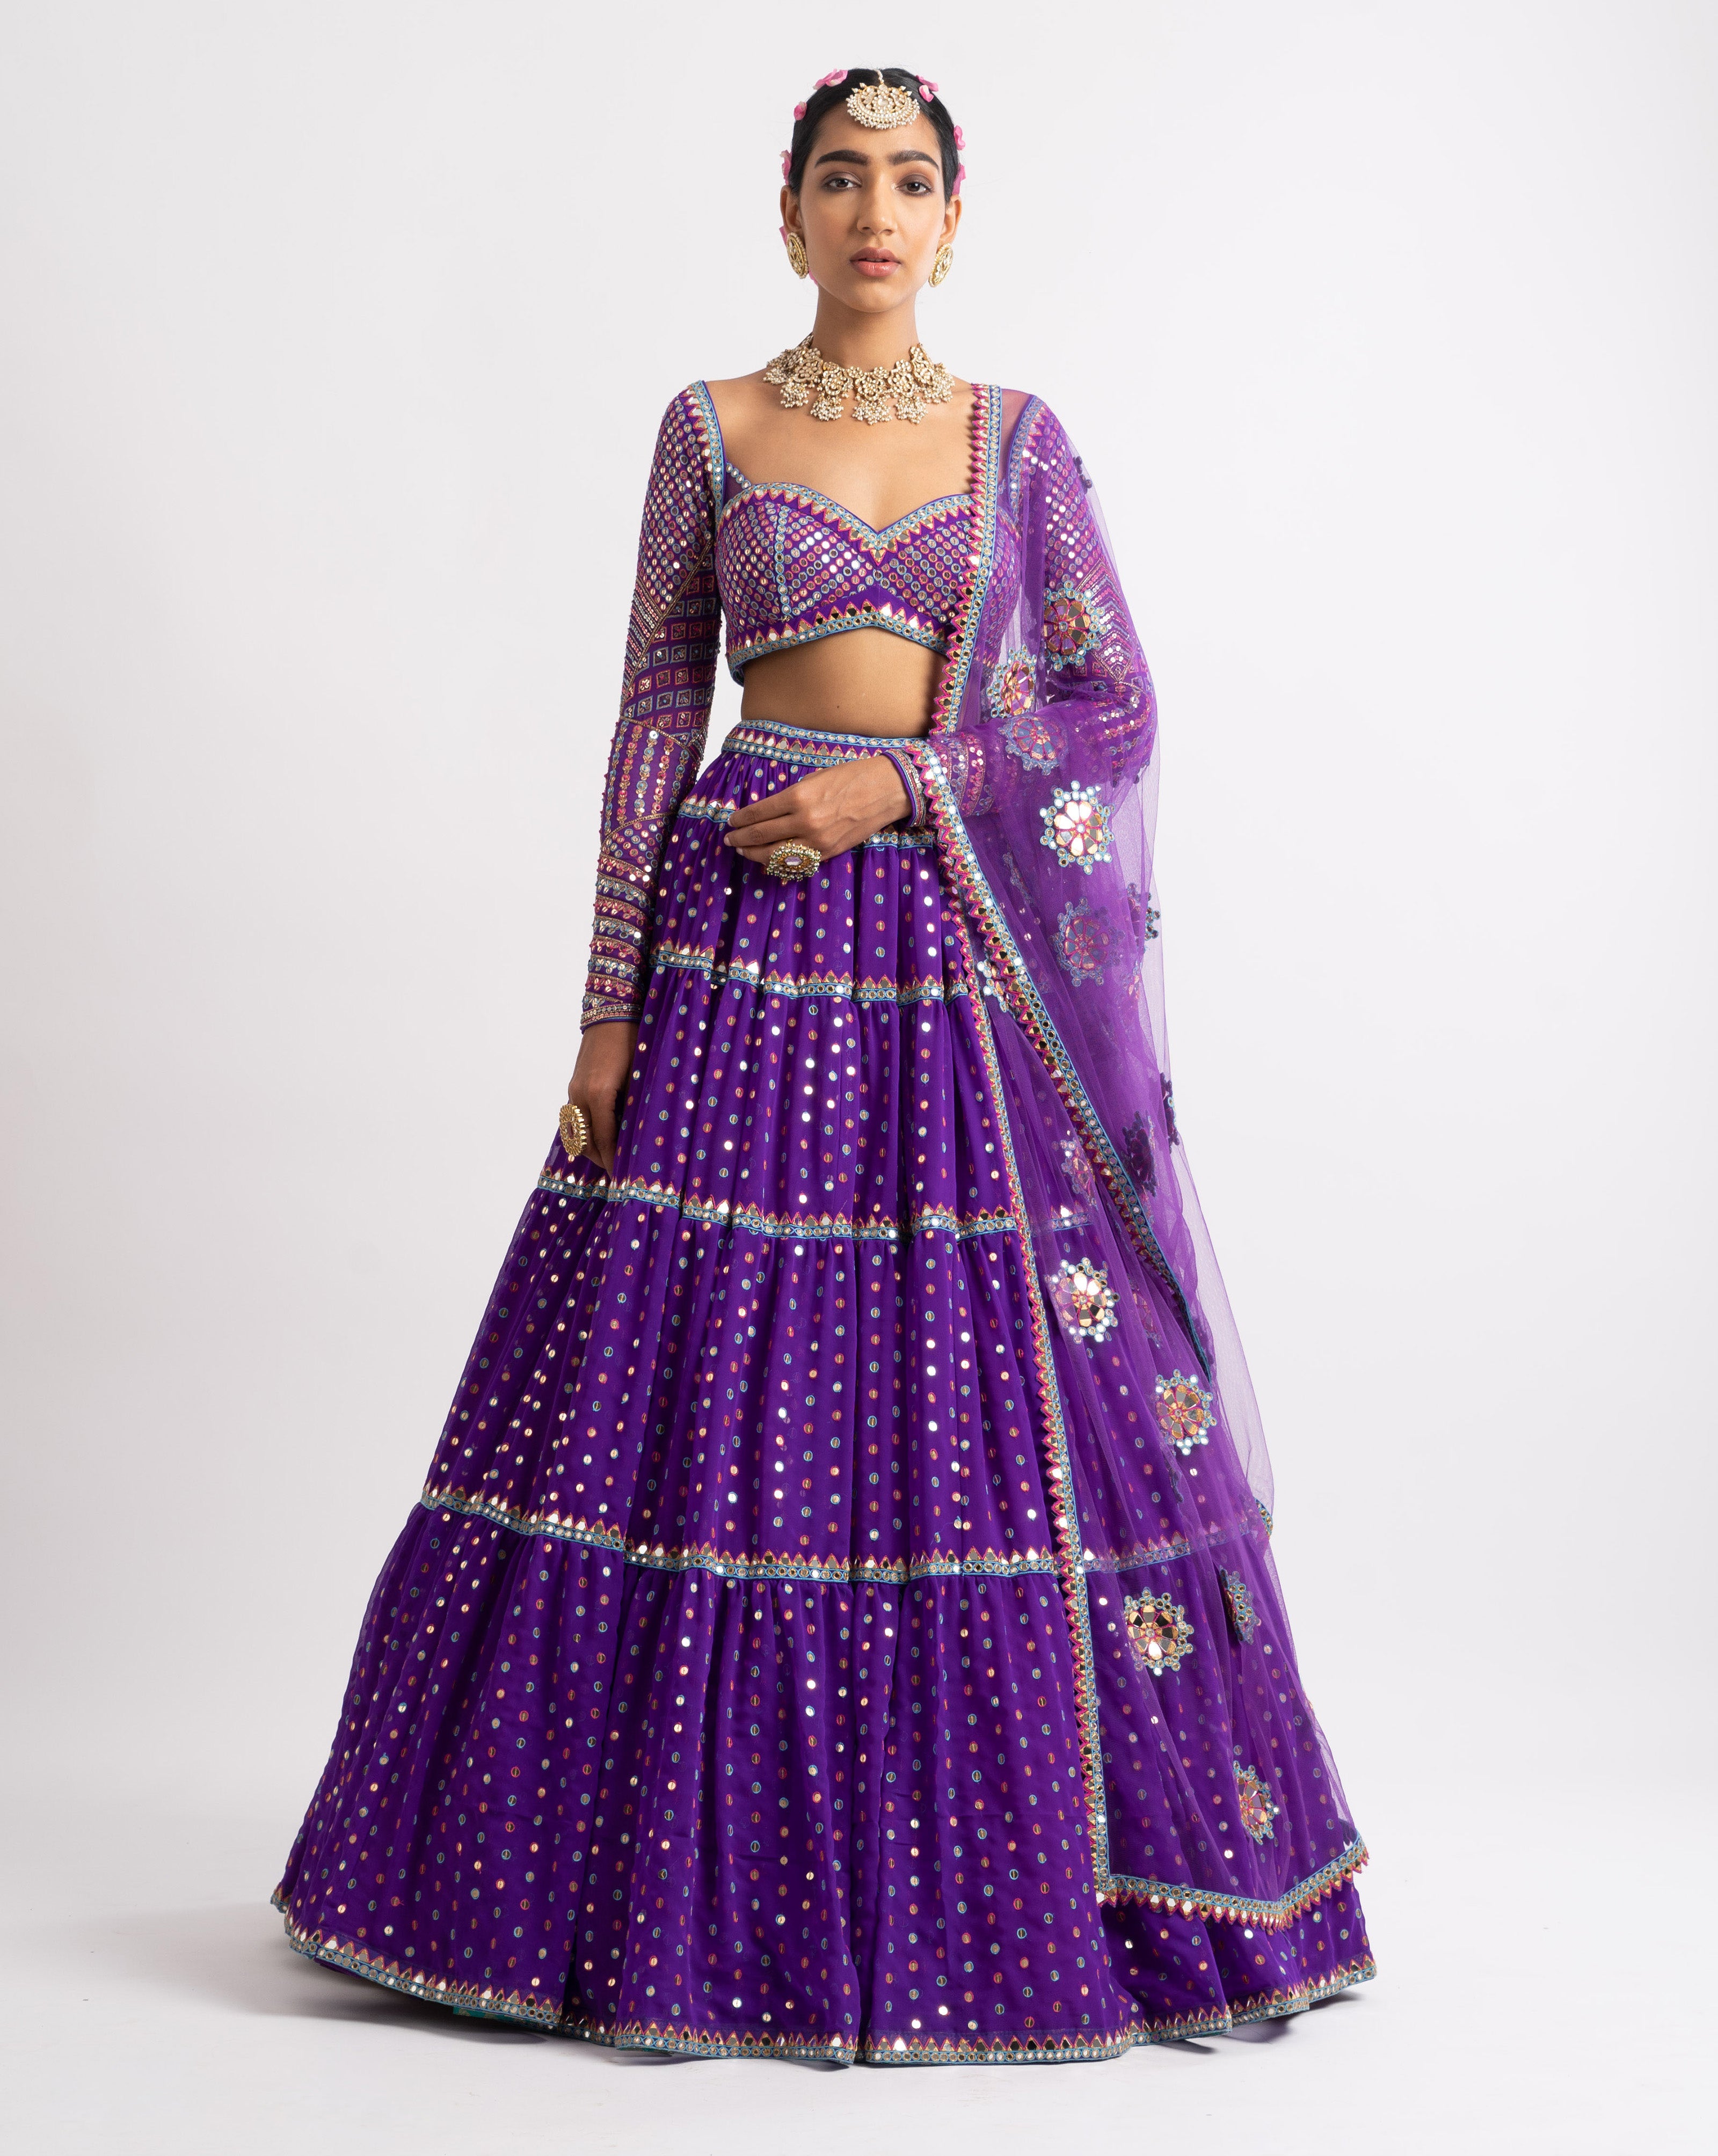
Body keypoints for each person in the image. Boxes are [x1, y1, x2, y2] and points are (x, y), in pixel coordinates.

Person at [275, 64, 1373, 2064]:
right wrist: (604, 1011)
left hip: (949, 959)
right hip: (737, 949)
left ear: (956, 219)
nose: (878, 211)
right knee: (694, 1384)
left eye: (912, 180)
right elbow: (648, 717)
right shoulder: (710, 428)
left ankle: (1024, 1891)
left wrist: (906, 782)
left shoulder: (1018, 442)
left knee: (969, 1391)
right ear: (786, 213)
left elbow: (1113, 711)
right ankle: (644, 1901)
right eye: (842, 178)